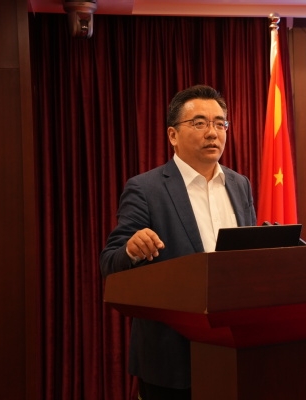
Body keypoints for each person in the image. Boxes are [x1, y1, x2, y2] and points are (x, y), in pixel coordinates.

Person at [100, 85, 257, 400]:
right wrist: (132, 249)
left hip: (233, 351)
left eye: (220, 123)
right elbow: (110, 263)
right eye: (199, 123)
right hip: (170, 357)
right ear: (172, 135)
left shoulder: (239, 184)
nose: (212, 132)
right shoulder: (146, 188)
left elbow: (249, 261)